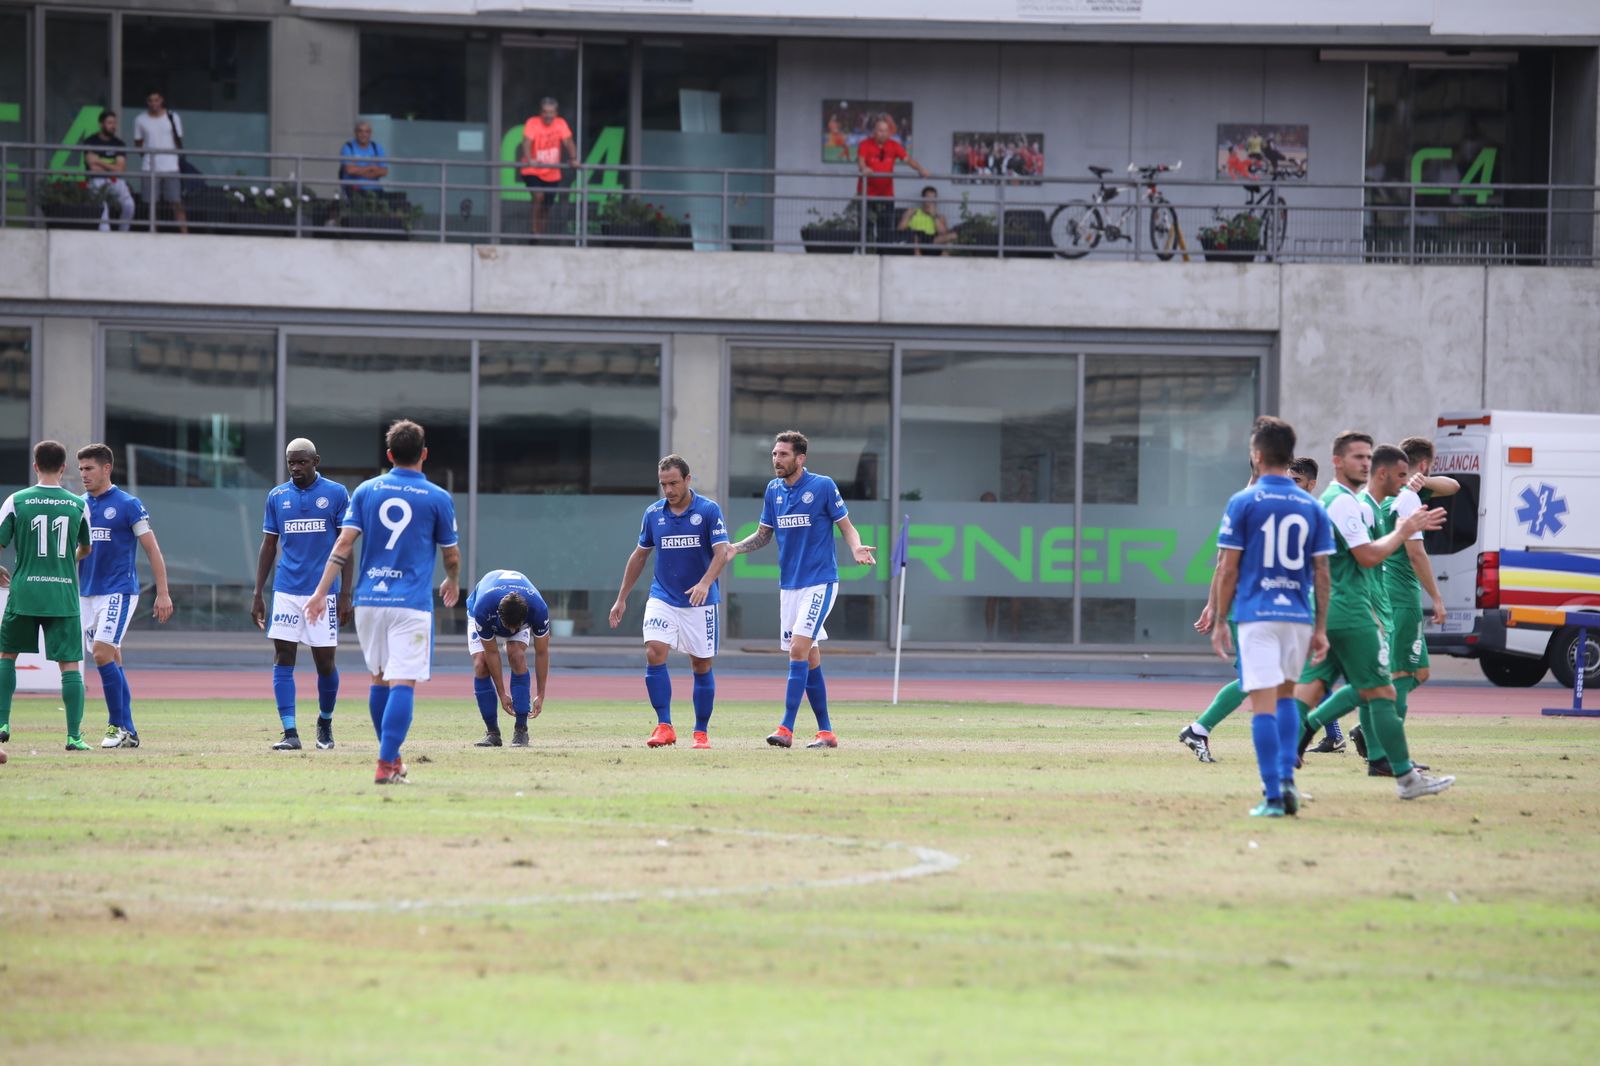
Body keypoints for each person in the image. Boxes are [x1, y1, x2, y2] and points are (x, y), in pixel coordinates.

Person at [1290, 432, 1454, 801]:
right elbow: (1367, 558)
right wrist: (1403, 531)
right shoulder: (1343, 503)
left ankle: (1281, 772)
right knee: (1382, 690)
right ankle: (1403, 776)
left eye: (1367, 456)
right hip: (1351, 611)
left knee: (1311, 693)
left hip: (1344, 608)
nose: (1364, 463)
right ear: (1337, 461)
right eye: (1357, 457)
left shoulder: (1355, 504)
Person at [306, 420, 459, 785]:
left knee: (378, 679)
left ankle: (393, 761)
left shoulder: (365, 491)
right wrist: (452, 580)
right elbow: (451, 555)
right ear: (424, 454)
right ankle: (384, 763)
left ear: (389, 455)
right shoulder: (438, 497)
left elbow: (343, 545)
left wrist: (320, 592)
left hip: (370, 601)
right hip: (410, 604)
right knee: (403, 682)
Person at [1208, 418, 1334, 817]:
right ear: (1290, 456)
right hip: (1297, 615)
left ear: (1257, 455)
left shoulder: (1243, 501)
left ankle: (1274, 795)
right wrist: (1320, 627)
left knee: (1262, 705)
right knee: (1286, 701)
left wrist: (1220, 619)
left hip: (1257, 614)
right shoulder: (1312, 505)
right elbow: (1322, 573)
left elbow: (1228, 567)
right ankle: (1287, 779)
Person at [732, 431, 876, 749]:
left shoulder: (822, 486)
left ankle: (786, 729)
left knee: (797, 650)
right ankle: (826, 732)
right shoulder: (773, 490)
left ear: (800, 458)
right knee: (809, 659)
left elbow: (846, 526)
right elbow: (763, 534)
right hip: (790, 587)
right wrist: (734, 549)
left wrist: (855, 547)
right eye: (774, 454)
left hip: (820, 582)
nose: (776, 459)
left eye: (783, 454)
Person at [1183, 455, 1329, 762]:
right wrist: (1215, 607)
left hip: (1272, 608)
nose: (1287, 483)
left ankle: (1298, 744)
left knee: (1273, 679)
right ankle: (1204, 730)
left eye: (1295, 479)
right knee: (1261, 680)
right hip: (1248, 608)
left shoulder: (1292, 509)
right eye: (1285, 476)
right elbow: (1224, 564)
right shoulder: (1252, 505)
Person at [608, 455, 732, 749]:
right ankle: (664, 726)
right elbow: (640, 556)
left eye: (674, 483)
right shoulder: (653, 514)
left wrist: (705, 583)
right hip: (662, 596)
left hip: (700, 601)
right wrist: (621, 598)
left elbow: (723, 552)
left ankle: (700, 732)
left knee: (700, 663)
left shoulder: (708, 510)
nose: (669, 490)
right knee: (654, 651)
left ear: (688, 480)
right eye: (663, 484)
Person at [252, 439, 352, 752]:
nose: (295, 468)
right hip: (286, 590)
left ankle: (325, 722)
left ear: (315, 461)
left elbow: (346, 546)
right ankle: (290, 732)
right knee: (283, 657)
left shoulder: (336, 493)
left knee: (325, 663)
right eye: (291, 462)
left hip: (324, 593)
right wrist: (258, 592)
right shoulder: (276, 496)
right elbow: (269, 545)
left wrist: (345, 594)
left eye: (302, 462)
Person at [76, 444, 174, 749]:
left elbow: (152, 550)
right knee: (112, 658)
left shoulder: (128, 504)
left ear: (107, 468)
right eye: (80, 469)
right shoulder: (78, 505)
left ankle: (116, 727)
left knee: (101, 654)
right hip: (86, 594)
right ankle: (129, 730)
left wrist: (163, 593)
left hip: (118, 591)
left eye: (89, 468)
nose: (83, 475)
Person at [0, 442, 94, 750]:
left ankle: (2, 723)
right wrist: (66, 560)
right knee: (69, 665)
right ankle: (73, 736)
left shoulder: (17, 501)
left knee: (7, 656)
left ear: (35, 465)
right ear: (64, 468)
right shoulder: (78, 505)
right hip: (62, 593)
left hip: (25, 592)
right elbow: (86, 548)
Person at [467, 569, 550, 748]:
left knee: (516, 655)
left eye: (516, 628)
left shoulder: (538, 609)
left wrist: (541, 694)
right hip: (484, 611)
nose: (511, 632)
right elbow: (491, 652)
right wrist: (502, 693)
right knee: (481, 664)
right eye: (508, 627)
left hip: (516, 610)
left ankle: (521, 729)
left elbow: (542, 652)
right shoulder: (483, 608)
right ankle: (493, 733)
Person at [856, 116, 929, 249]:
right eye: (880, 130)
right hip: (867, 195)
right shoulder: (865, 144)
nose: (883, 133)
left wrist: (920, 169)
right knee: (865, 229)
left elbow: (908, 160)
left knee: (884, 231)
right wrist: (864, 168)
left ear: (889, 132)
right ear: (874, 131)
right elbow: (861, 162)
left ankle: (882, 255)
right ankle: (864, 256)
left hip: (886, 196)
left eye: (885, 131)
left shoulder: (894, 145)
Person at [519, 97, 577, 237]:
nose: (548, 115)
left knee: (547, 205)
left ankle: (540, 233)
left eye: (551, 112)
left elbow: (568, 142)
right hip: (532, 170)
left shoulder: (560, 123)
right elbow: (526, 142)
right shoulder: (532, 122)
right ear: (540, 112)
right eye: (545, 112)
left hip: (552, 173)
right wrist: (530, 159)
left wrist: (573, 159)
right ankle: (534, 231)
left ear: (556, 113)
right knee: (538, 195)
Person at [131, 91, 187, 234]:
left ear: (161, 100)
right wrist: (146, 156)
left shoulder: (172, 116)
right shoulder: (140, 119)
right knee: (151, 204)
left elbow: (178, 139)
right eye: (150, 100)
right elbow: (138, 142)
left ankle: (185, 233)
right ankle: (153, 231)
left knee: (176, 201)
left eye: (156, 100)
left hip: (171, 165)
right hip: (149, 166)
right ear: (147, 102)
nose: (154, 103)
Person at [83, 110, 135, 233]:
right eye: (110, 123)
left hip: (115, 180)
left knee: (129, 205)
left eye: (115, 123)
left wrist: (99, 161)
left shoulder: (119, 144)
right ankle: (105, 234)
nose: (113, 126)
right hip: (96, 180)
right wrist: (112, 166)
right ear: (101, 124)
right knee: (103, 207)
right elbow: (93, 168)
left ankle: (123, 233)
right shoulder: (91, 141)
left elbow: (120, 170)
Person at [899, 186, 957, 256]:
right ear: (922, 199)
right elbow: (900, 228)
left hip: (931, 241)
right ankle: (918, 257)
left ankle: (942, 260)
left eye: (933, 199)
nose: (930, 201)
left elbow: (943, 233)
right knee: (915, 236)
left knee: (952, 236)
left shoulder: (940, 217)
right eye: (928, 198)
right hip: (917, 238)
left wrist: (934, 216)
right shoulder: (913, 212)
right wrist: (907, 216)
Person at [338, 122, 389, 197]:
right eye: (360, 131)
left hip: (375, 189)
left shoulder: (377, 147)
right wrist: (371, 167)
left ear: (370, 133)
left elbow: (384, 171)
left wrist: (358, 170)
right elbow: (350, 170)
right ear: (355, 132)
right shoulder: (348, 147)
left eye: (367, 131)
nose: (363, 134)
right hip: (354, 189)